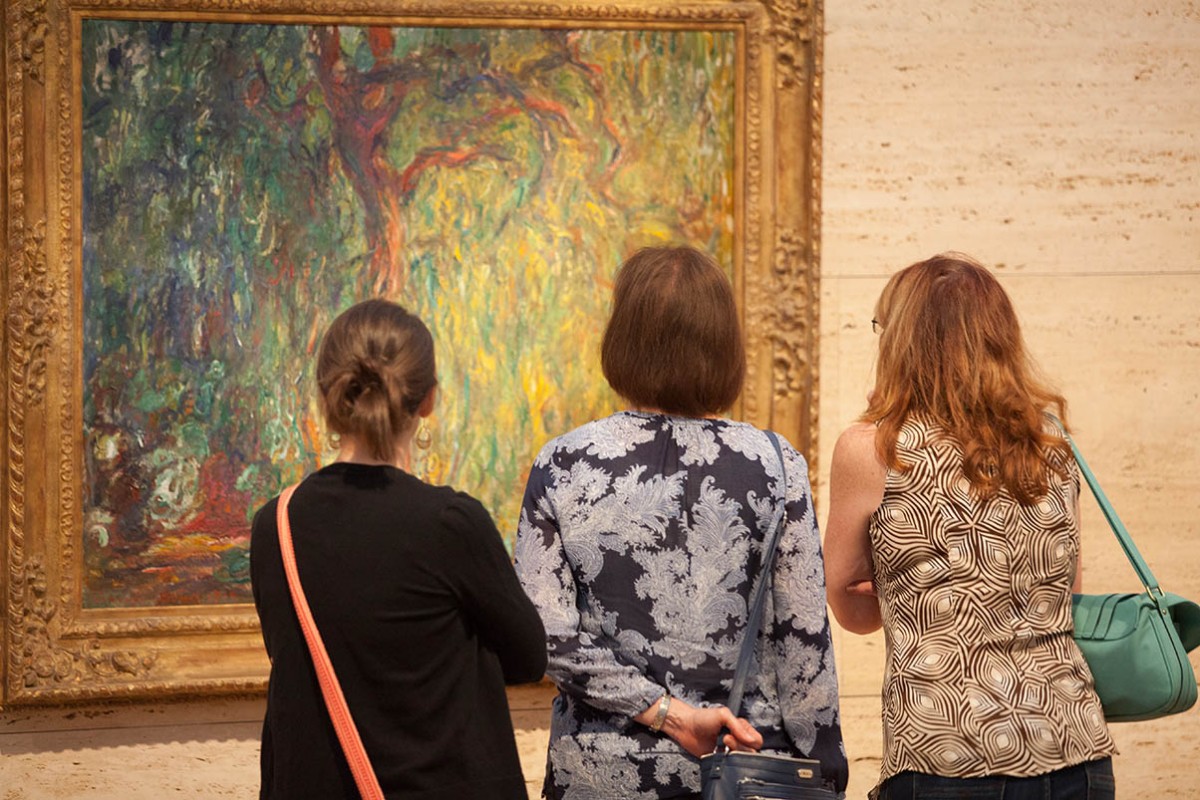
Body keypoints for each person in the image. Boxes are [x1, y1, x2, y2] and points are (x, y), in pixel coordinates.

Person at [515, 245, 849, 800]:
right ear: (724, 345)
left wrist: (665, 712)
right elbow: (804, 644)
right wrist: (827, 773)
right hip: (746, 770)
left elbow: (545, 633)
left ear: (622, 339)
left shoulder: (564, 463)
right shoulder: (777, 465)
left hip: (601, 776)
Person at [823, 253, 1117, 799]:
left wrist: (918, 596)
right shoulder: (1049, 442)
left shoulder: (875, 449)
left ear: (902, 341)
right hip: (1074, 746)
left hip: (947, 751)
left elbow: (849, 606)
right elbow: (1066, 594)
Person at [250, 299, 547, 799]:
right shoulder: (450, 524)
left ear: (327, 394)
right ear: (428, 399)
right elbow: (528, 657)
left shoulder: (273, 525)